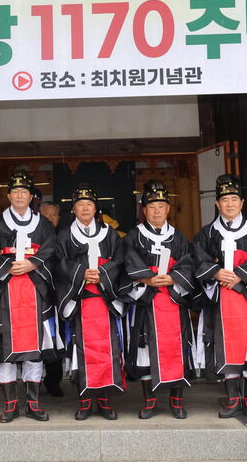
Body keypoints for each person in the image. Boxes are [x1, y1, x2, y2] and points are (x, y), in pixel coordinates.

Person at [0, 169, 62, 422]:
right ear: (8, 196)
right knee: (7, 347)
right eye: (15, 191)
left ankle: (33, 404)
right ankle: (10, 404)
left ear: (31, 196)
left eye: (24, 191)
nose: (19, 196)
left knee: (35, 348)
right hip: (6, 291)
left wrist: (32, 263)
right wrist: (7, 266)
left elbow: (52, 250)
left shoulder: (43, 224)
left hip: (36, 291)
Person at [193, 174, 247, 420]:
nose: (229, 204)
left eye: (234, 199)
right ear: (217, 204)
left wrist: (240, 276)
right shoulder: (208, 233)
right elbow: (198, 259)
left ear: (242, 202)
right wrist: (216, 272)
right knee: (225, 345)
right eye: (224, 200)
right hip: (220, 300)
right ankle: (232, 398)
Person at [122, 179, 197, 419]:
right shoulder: (133, 237)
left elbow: (189, 266)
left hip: (173, 302)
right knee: (146, 350)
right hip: (146, 302)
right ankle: (150, 402)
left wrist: (174, 278)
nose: (157, 211)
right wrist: (147, 279)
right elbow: (126, 265)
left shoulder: (179, 238)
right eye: (152, 206)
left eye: (161, 206)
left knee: (176, 349)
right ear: (144, 210)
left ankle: (177, 402)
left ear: (168, 209)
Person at [56, 184, 125, 420]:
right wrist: (82, 273)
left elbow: (119, 261)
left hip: (105, 300)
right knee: (82, 351)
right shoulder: (64, 236)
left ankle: (105, 401)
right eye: (80, 205)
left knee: (107, 350)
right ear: (73, 210)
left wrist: (102, 274)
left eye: (89, 204)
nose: (85, 208)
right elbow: (60, 263)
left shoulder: (110, 234)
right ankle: (84, 401)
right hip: (80, 300)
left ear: (96, 209)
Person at [39, 200, 64, 397]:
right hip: (35, 296)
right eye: (46, 215)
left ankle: (53, 381)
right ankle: (32, 382)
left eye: (54, 215)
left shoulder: (62, 239)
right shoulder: (33, 237)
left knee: (56, 339)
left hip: (58, 297)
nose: (50, 218)